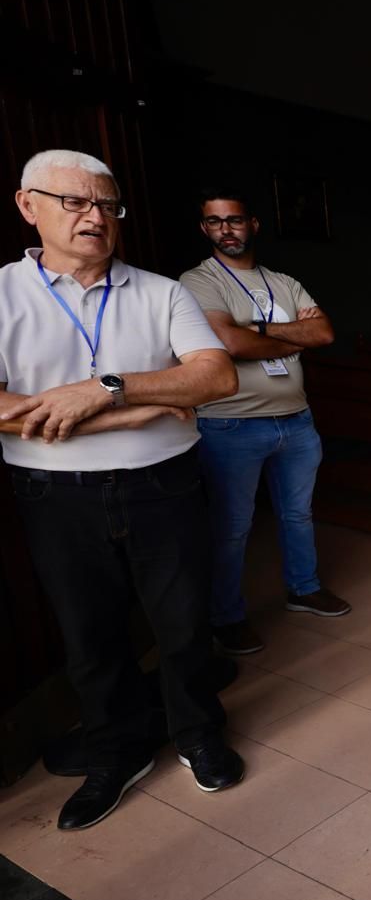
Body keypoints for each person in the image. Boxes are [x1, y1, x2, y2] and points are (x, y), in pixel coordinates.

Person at [1, 149, 245, 829]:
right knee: (90, 633)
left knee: (183, 621)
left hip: (164, 484)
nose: (95, 218)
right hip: (57, 494)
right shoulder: (1, 294)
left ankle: (198, 733)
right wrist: (145, 407)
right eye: (75, 202)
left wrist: (104, 391)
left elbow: (216, 377)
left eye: (107, 205)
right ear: (29, 205)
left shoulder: (162, 292)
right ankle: (117, 749)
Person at [179, 188, 349, 657]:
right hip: (232, 425)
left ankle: (304, 588)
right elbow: (228, 344)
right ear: (204, 229)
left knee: (298, 514)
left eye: (234, 220)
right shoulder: (198, 282)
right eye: (214, 222)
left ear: (253, 224)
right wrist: (288, 338)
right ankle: (227, 617)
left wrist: (254, 330)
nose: (225, 229)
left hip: (296, 420)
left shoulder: (284, 281)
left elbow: (324, 332)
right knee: (232, 527)